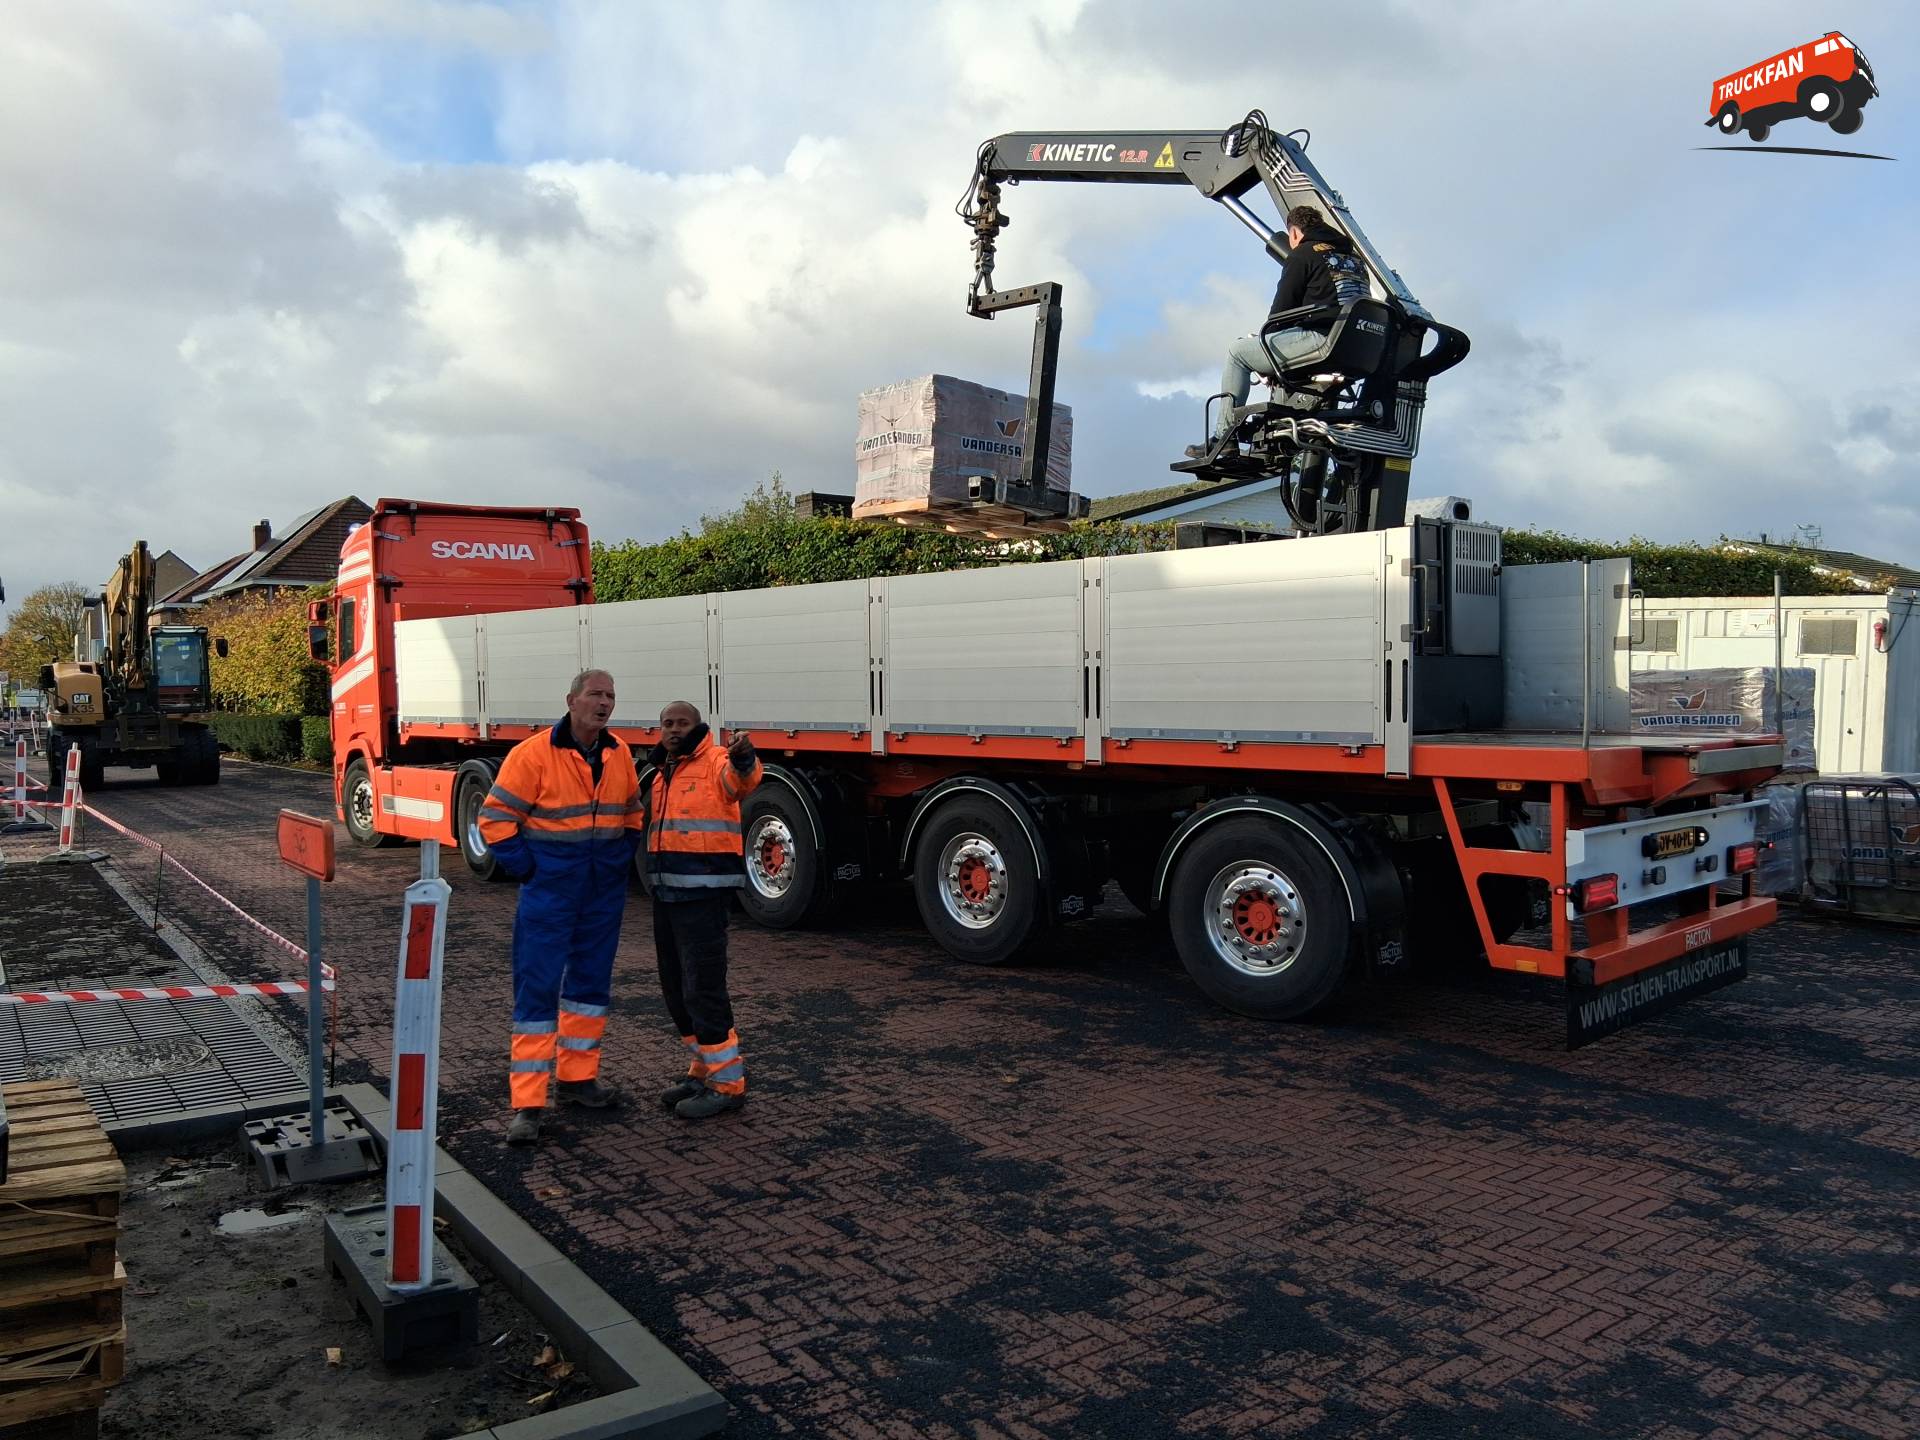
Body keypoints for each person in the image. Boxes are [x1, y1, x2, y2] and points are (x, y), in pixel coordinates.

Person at [478, 668, 644, 1147]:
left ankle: (578, 1080)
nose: (604, 703)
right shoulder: (532, 754)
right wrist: (530, 870)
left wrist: (618, 858)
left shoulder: (619, 753)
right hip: (550, 892)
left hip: (600, 891)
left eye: (610, 695)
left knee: (589, 988)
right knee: (538, 989)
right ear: (571, 700)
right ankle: (528, 1104)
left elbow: (632, 813)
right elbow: (495, 820)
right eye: (595, 694)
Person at [645, 700, 762, 1120]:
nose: (674, 729)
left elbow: (742, 781)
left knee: (703, 989)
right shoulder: (662, 771)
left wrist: (744, 757)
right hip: (667, 894)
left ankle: (728, 1085)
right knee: (676, 989)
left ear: (698, 726)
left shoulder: (715, 761)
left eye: (682, 723)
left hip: (703, 897)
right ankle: (703, 1070)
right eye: (667, 723)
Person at [1186, 204, 1372, 459]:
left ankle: (1224, 438)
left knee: (1238, 352)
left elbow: (1281, 312)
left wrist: (1265, 356)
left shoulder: (1303, 254)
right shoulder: (1355, 260)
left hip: (1323, 340)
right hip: (1358, 349)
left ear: (1293, 232)